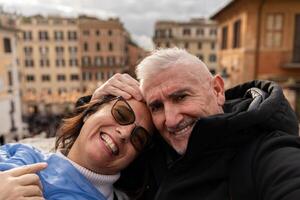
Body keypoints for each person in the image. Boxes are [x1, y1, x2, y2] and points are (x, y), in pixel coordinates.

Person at [92, 47, 300, 200]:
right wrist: (94, 108)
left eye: (181, 97)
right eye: (156, 106)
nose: (171, 120)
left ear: (217, 91)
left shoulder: (267, 153)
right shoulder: (149, 149)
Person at [0, 95, 154, 200]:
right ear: (90, 112)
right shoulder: (20, 154)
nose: (125, 133)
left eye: (139, 138)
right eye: (121, 113)